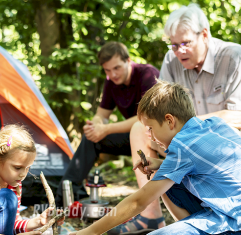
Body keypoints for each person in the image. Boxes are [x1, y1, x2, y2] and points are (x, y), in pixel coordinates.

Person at [124, 4, 241, 233]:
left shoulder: (234, 57)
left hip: (221, 141)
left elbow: (237, 115)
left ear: (204, 34)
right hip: (181, 140)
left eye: (185, 43)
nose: (178, 51)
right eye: (173, 44)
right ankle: (151, 215)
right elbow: (160, 106)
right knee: (140, 129)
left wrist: (190, 128)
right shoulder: (171, 59)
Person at [71, 80, 241, 235]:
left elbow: (139, 202)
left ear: (169, 121)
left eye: (150, 128)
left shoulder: (182, 146)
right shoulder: (214, 124)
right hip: (230, 207)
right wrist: (161, 163)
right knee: (167, 180)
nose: (150, 137)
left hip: (232, 222)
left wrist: (89, 232)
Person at [55, 41, 165, 233]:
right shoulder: (111, 82)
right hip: (131, 137)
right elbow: (102, 114)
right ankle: (65, 197)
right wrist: (95, 126)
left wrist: (106, 129)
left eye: (117, 68)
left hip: (156, 135)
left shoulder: (147, 74)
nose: (113, 74)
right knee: (91, 138)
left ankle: (151, 215)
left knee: (135, 128)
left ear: (128, 61)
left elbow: (145, 118)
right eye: (107, 70)